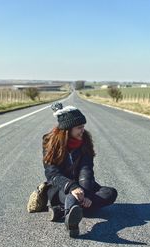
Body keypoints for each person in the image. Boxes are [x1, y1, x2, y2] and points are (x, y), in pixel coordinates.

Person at [42, 102, 118, 238]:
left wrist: (86, 194)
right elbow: (52, 174)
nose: (83, 130)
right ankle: (72, 223)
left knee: (110, 193)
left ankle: (63, 210)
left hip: (83, 186)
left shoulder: (85, 141)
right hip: (61, 187)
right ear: (68, 129)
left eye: (83, 127)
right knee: (71, 195)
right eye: (79, 127)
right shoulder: (50, 143)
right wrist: (72, 187)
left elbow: (86, 170)